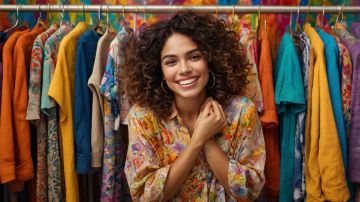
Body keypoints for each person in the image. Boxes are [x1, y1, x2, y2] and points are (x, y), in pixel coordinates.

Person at [121, 11, 265, 201]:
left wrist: (208, 141)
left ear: (210, 60)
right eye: (171, 61)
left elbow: (249, 192)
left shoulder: (241, 112)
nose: (184, 69)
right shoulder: (143, 117)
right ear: (160, 70)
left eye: (194, 57)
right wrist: (199, 138)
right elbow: (144, 197)